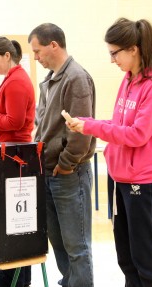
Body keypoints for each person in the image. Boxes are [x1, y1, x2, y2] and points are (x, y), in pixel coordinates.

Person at [67, 18, 152, 287]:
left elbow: (138, 134)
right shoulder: (128, 80)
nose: (112, 59)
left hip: (144, 182)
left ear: (134, 49)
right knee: (127, 258)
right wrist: (87, 124)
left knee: (145, 258)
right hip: (120, 179)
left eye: (114, 53)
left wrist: (91, 127)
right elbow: (119, 125)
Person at [28, 23, 96, 287]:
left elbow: (82, 130)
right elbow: (43, 124)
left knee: (76, 244)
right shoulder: (50, 80)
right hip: (48, 171)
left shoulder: (76, 78)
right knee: (59, 242)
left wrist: (66, 165)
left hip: (67, 173)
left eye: (37, 51)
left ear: (53, 45)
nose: (35, 57)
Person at [0, 36, 35, 287]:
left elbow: (15, 122)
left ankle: (11, 281)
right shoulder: (12, 80)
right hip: (9, 153)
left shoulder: (16, 82)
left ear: (7, 56)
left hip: (13, 155)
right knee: (12, 223)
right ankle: (13, 280)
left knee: (13, 223)